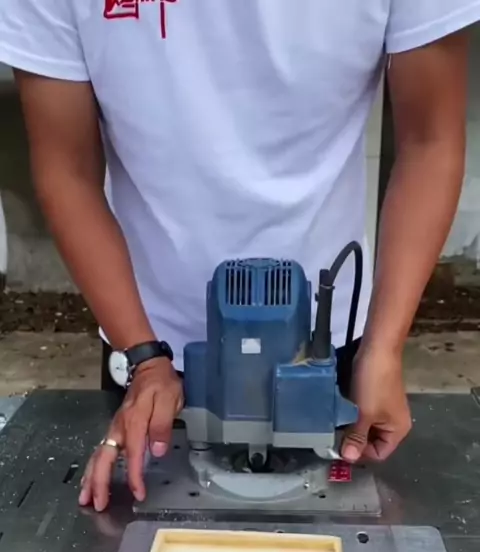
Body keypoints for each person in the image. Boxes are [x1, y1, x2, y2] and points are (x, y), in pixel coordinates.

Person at [0, 2, 476, 512]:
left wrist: (384, 347)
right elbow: (66, 170)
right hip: (147, 346)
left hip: (326, 351)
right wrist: (144, 357)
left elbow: (431, 141)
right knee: (128, 541)